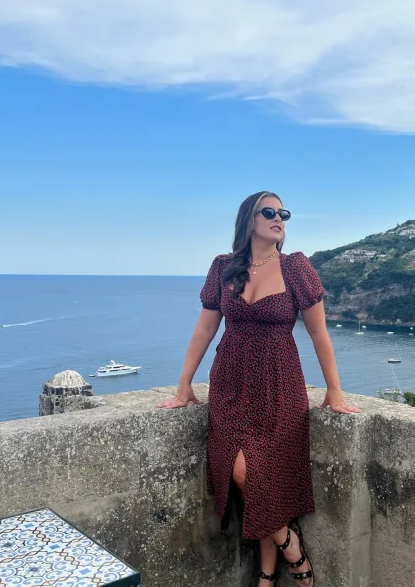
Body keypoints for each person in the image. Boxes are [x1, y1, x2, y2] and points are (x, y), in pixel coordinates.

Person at [158, 191, 359, 586]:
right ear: (249, 219)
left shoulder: (297, 268)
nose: (279, 218)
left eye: (283, 213)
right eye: (269, 212)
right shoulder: (223, 268)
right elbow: (204, 329)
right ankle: (292, 550)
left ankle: (266, 577)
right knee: (239, 470)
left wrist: (334, 391)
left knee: (263, 476)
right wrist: (184, 386)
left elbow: (319, 333)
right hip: (230, 383)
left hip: (279, 385)